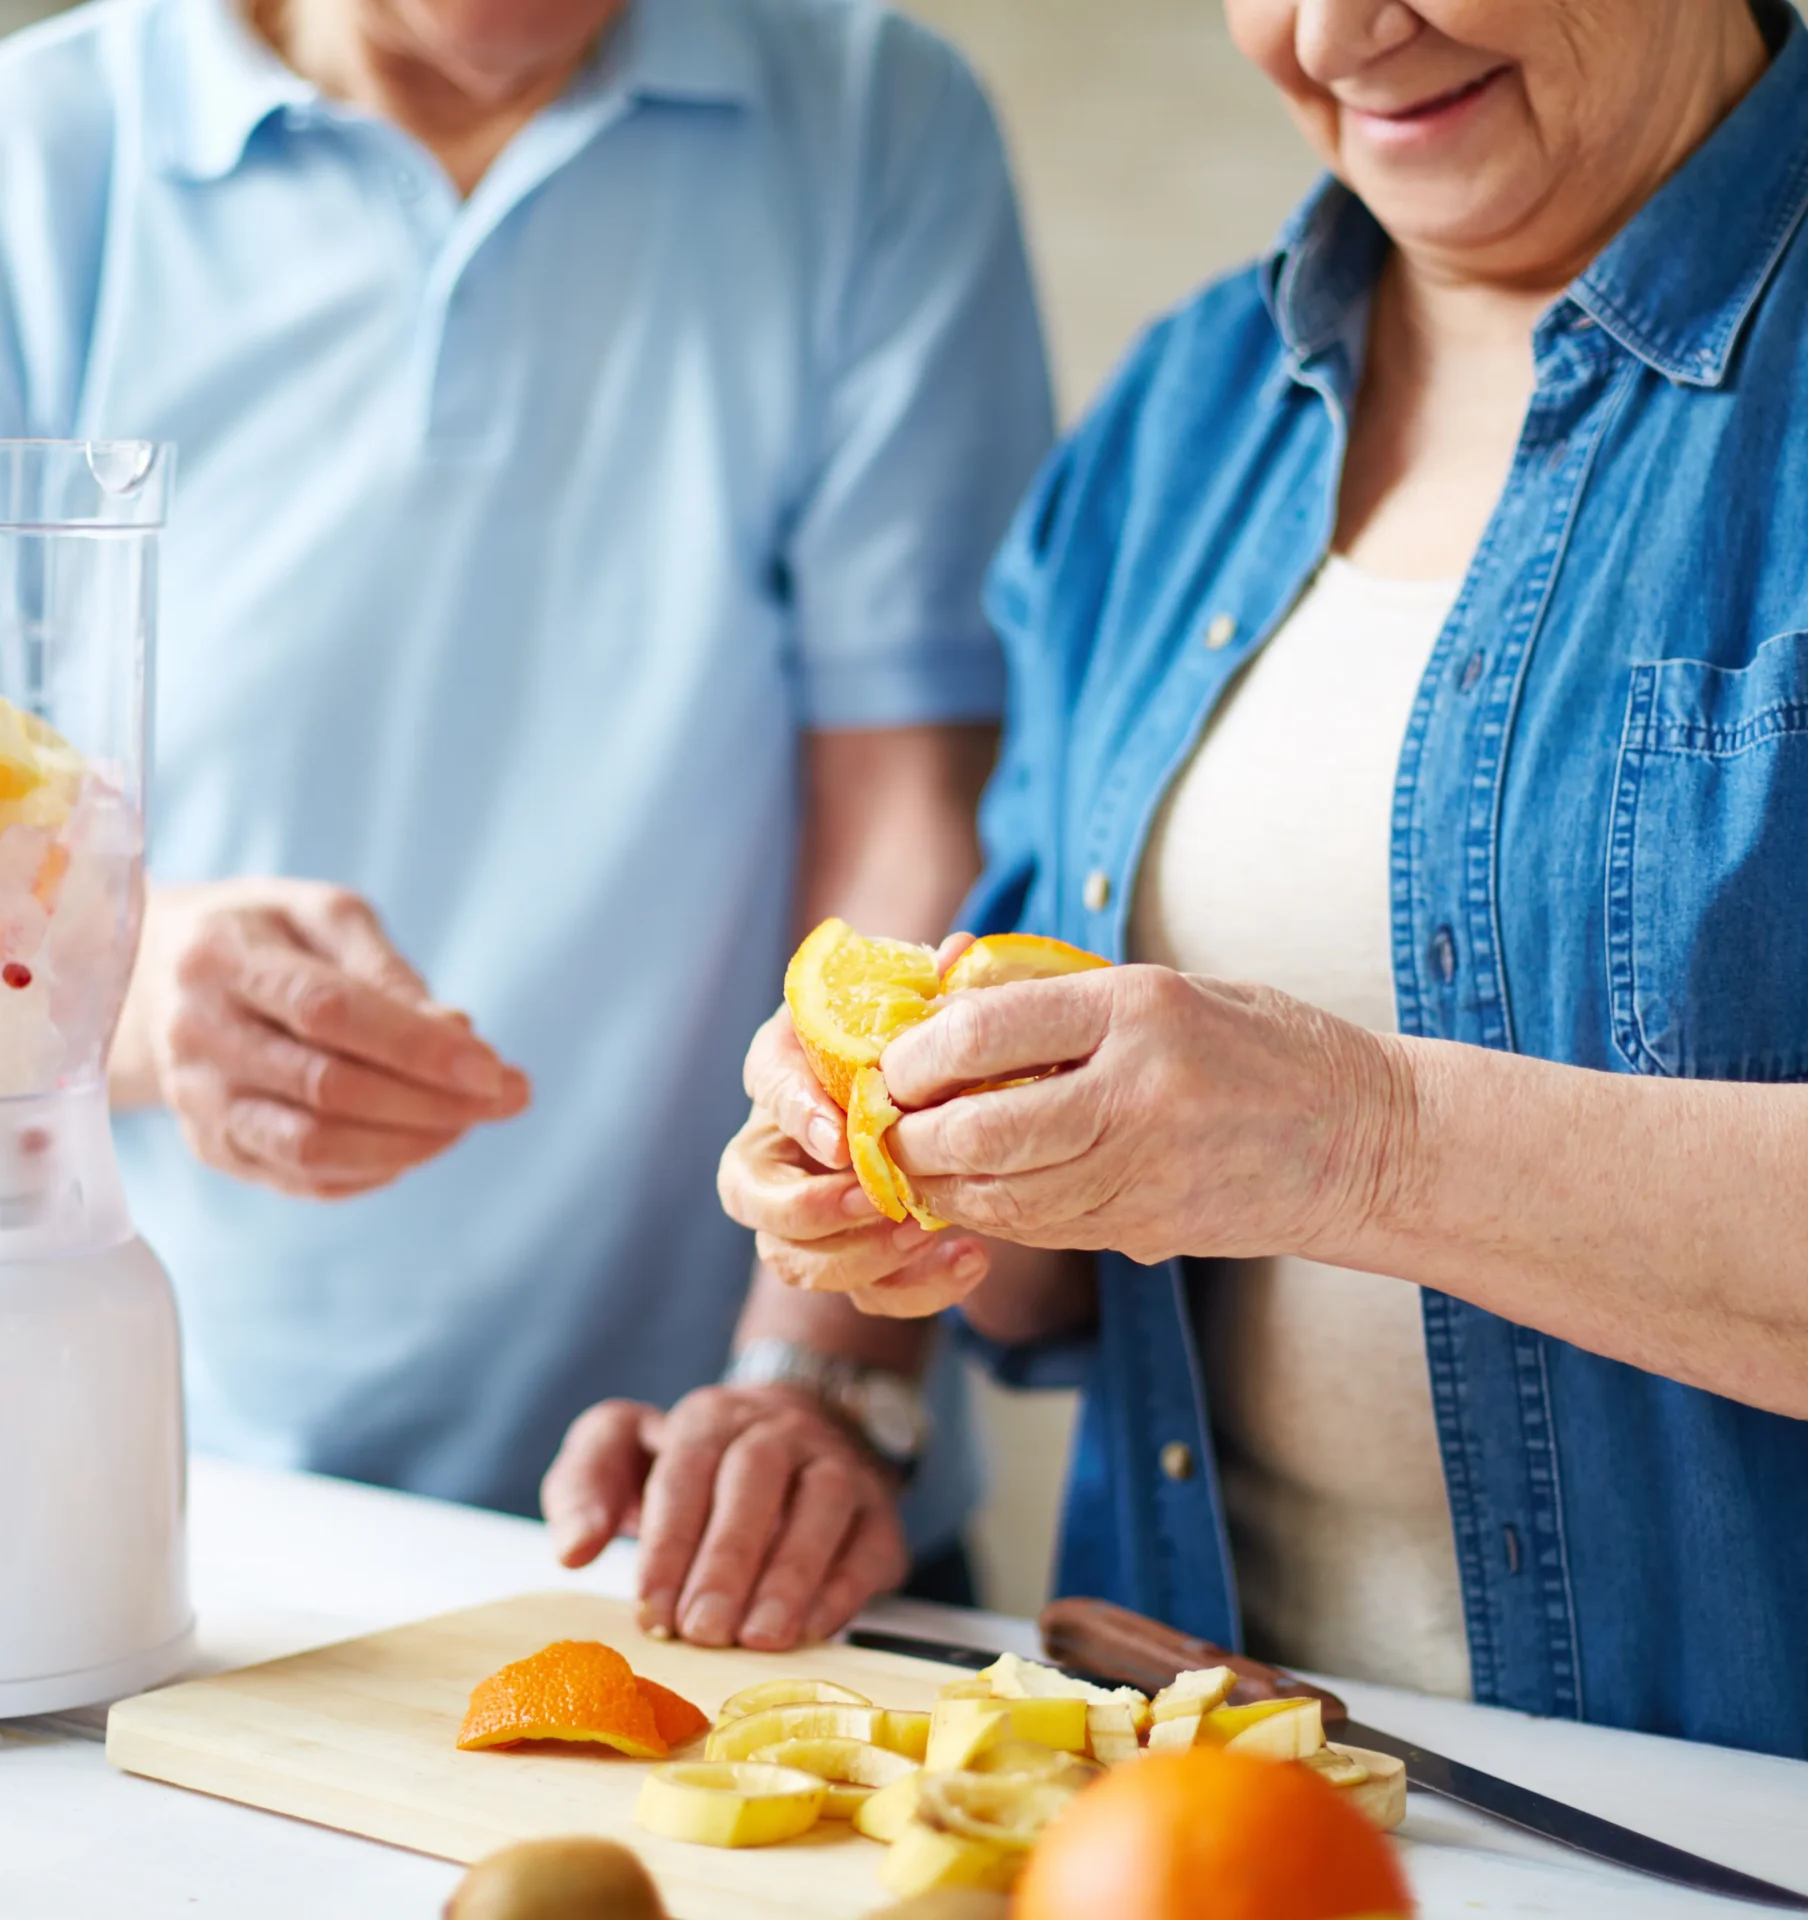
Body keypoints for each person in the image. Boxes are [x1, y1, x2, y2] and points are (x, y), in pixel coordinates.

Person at [0, 0, 1054, 1634]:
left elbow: (911, 811)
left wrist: (819, 1380)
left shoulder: (876, 117)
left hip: (727, 1515)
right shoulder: (17, 174)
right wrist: (133, 988)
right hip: (161, 1511)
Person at [712, 0, 1808, 1757]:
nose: (1337, 32)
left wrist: (1358, 1140)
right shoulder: (1177, 422)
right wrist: (926, 1181)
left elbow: (1296, 1134)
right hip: (1200, 1796)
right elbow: (1081, 1259)